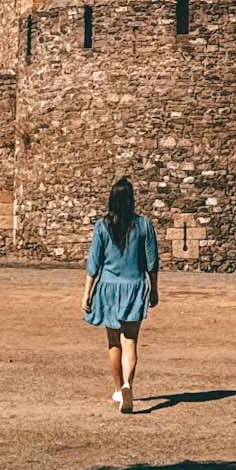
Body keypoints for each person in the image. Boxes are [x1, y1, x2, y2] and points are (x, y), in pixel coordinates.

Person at [82, 177, 160, 413]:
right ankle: (128, 383)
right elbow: (152, 262)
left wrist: (86, 293)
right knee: (131, 341)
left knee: (113, 342)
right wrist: (154, 289)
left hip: (108, 287)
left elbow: (94, 263)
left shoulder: (102, 226)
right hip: (135, 286)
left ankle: (118, 389)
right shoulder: (144, 225)